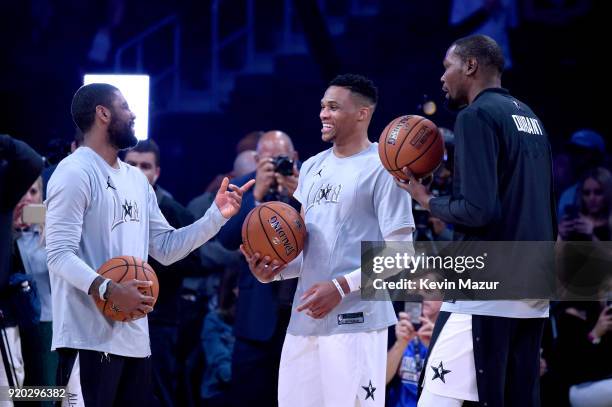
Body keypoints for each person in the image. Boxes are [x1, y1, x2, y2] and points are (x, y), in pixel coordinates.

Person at [45, 83, 253, 406]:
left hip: (136, 341)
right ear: (103, 113)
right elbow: (58, 254)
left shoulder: (136, 180)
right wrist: (110, 289)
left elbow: (166, 248)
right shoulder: (74, 172)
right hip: (87, 339)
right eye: (125, 107)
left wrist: (216, 216)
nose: (133, 114)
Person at [396, 35, 555, 406]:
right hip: (535, 285)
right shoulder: (531, 118)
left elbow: (479, 210)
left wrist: (426, 199)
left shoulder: (476, 116)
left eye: (446, 67)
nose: (442, 78)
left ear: (470, 66)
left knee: (434, 399)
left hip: (486, 288)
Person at [241, 74, 415, 407]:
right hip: (305, 319)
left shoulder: (384, 167)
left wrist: (339, 287)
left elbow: (401, 255)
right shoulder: (312, 167)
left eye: (333, 107)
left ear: (362, 113)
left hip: (358, 322)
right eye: (322, 106)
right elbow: (305, 248)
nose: (323, 114)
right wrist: (274, 271)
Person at [217, 130, 300, 407]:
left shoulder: (307, 187)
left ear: (295, 158)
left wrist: (298, 193)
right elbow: (226, 239)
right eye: (268, 159)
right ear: (256, 160)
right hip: (255, 318)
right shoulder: (242, 187)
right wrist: (257, 196)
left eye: (282, 159)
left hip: (300, 317)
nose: (276, 165)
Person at [124, 139, 199, 407]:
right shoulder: (110, 203)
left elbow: (195, 262)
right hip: (115, 314)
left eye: (145, 166)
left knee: (160, 390)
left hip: (161, 317)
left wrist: (153, 260)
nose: (138, 171)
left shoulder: (174, 211)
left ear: (157, 172)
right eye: (131, 164)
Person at [0, 134, 43, 395]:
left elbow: (30, 161)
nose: (26, 199)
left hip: (35, 321)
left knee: (31, 390)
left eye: (34, 191)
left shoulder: (53, 228)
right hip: (23, 318)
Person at [387, 301, 442, 407]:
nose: (421, 295)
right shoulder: (399, 327)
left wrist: (435, 347)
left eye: (428, 290)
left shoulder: (450, 333)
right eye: (415, 290)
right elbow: (379, 383)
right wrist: (400, 345)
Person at [558, 167, 612, 242]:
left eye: (598, 192)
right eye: (586, 193)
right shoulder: (576, 222)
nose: (591, 198)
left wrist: (591, 236)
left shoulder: (609, 224)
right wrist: (560, 236)